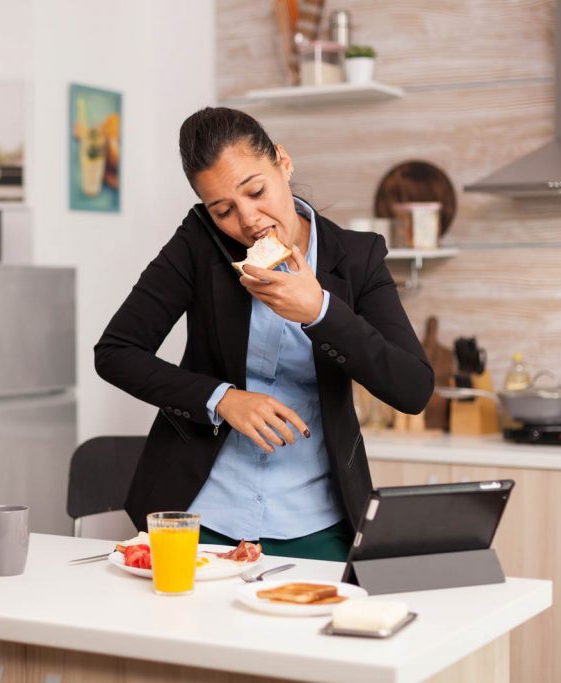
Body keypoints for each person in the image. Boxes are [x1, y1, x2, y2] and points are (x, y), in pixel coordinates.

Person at [94, 107, 433, 561]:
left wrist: (319, 311)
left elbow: (413, 388)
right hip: (200, 515)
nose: (249, 219)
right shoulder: (200, 243)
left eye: (256, 191)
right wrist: (222, 399)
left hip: (318, 520)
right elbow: (116, 351)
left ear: (283, 162)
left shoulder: (357, 257)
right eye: (223, 210)